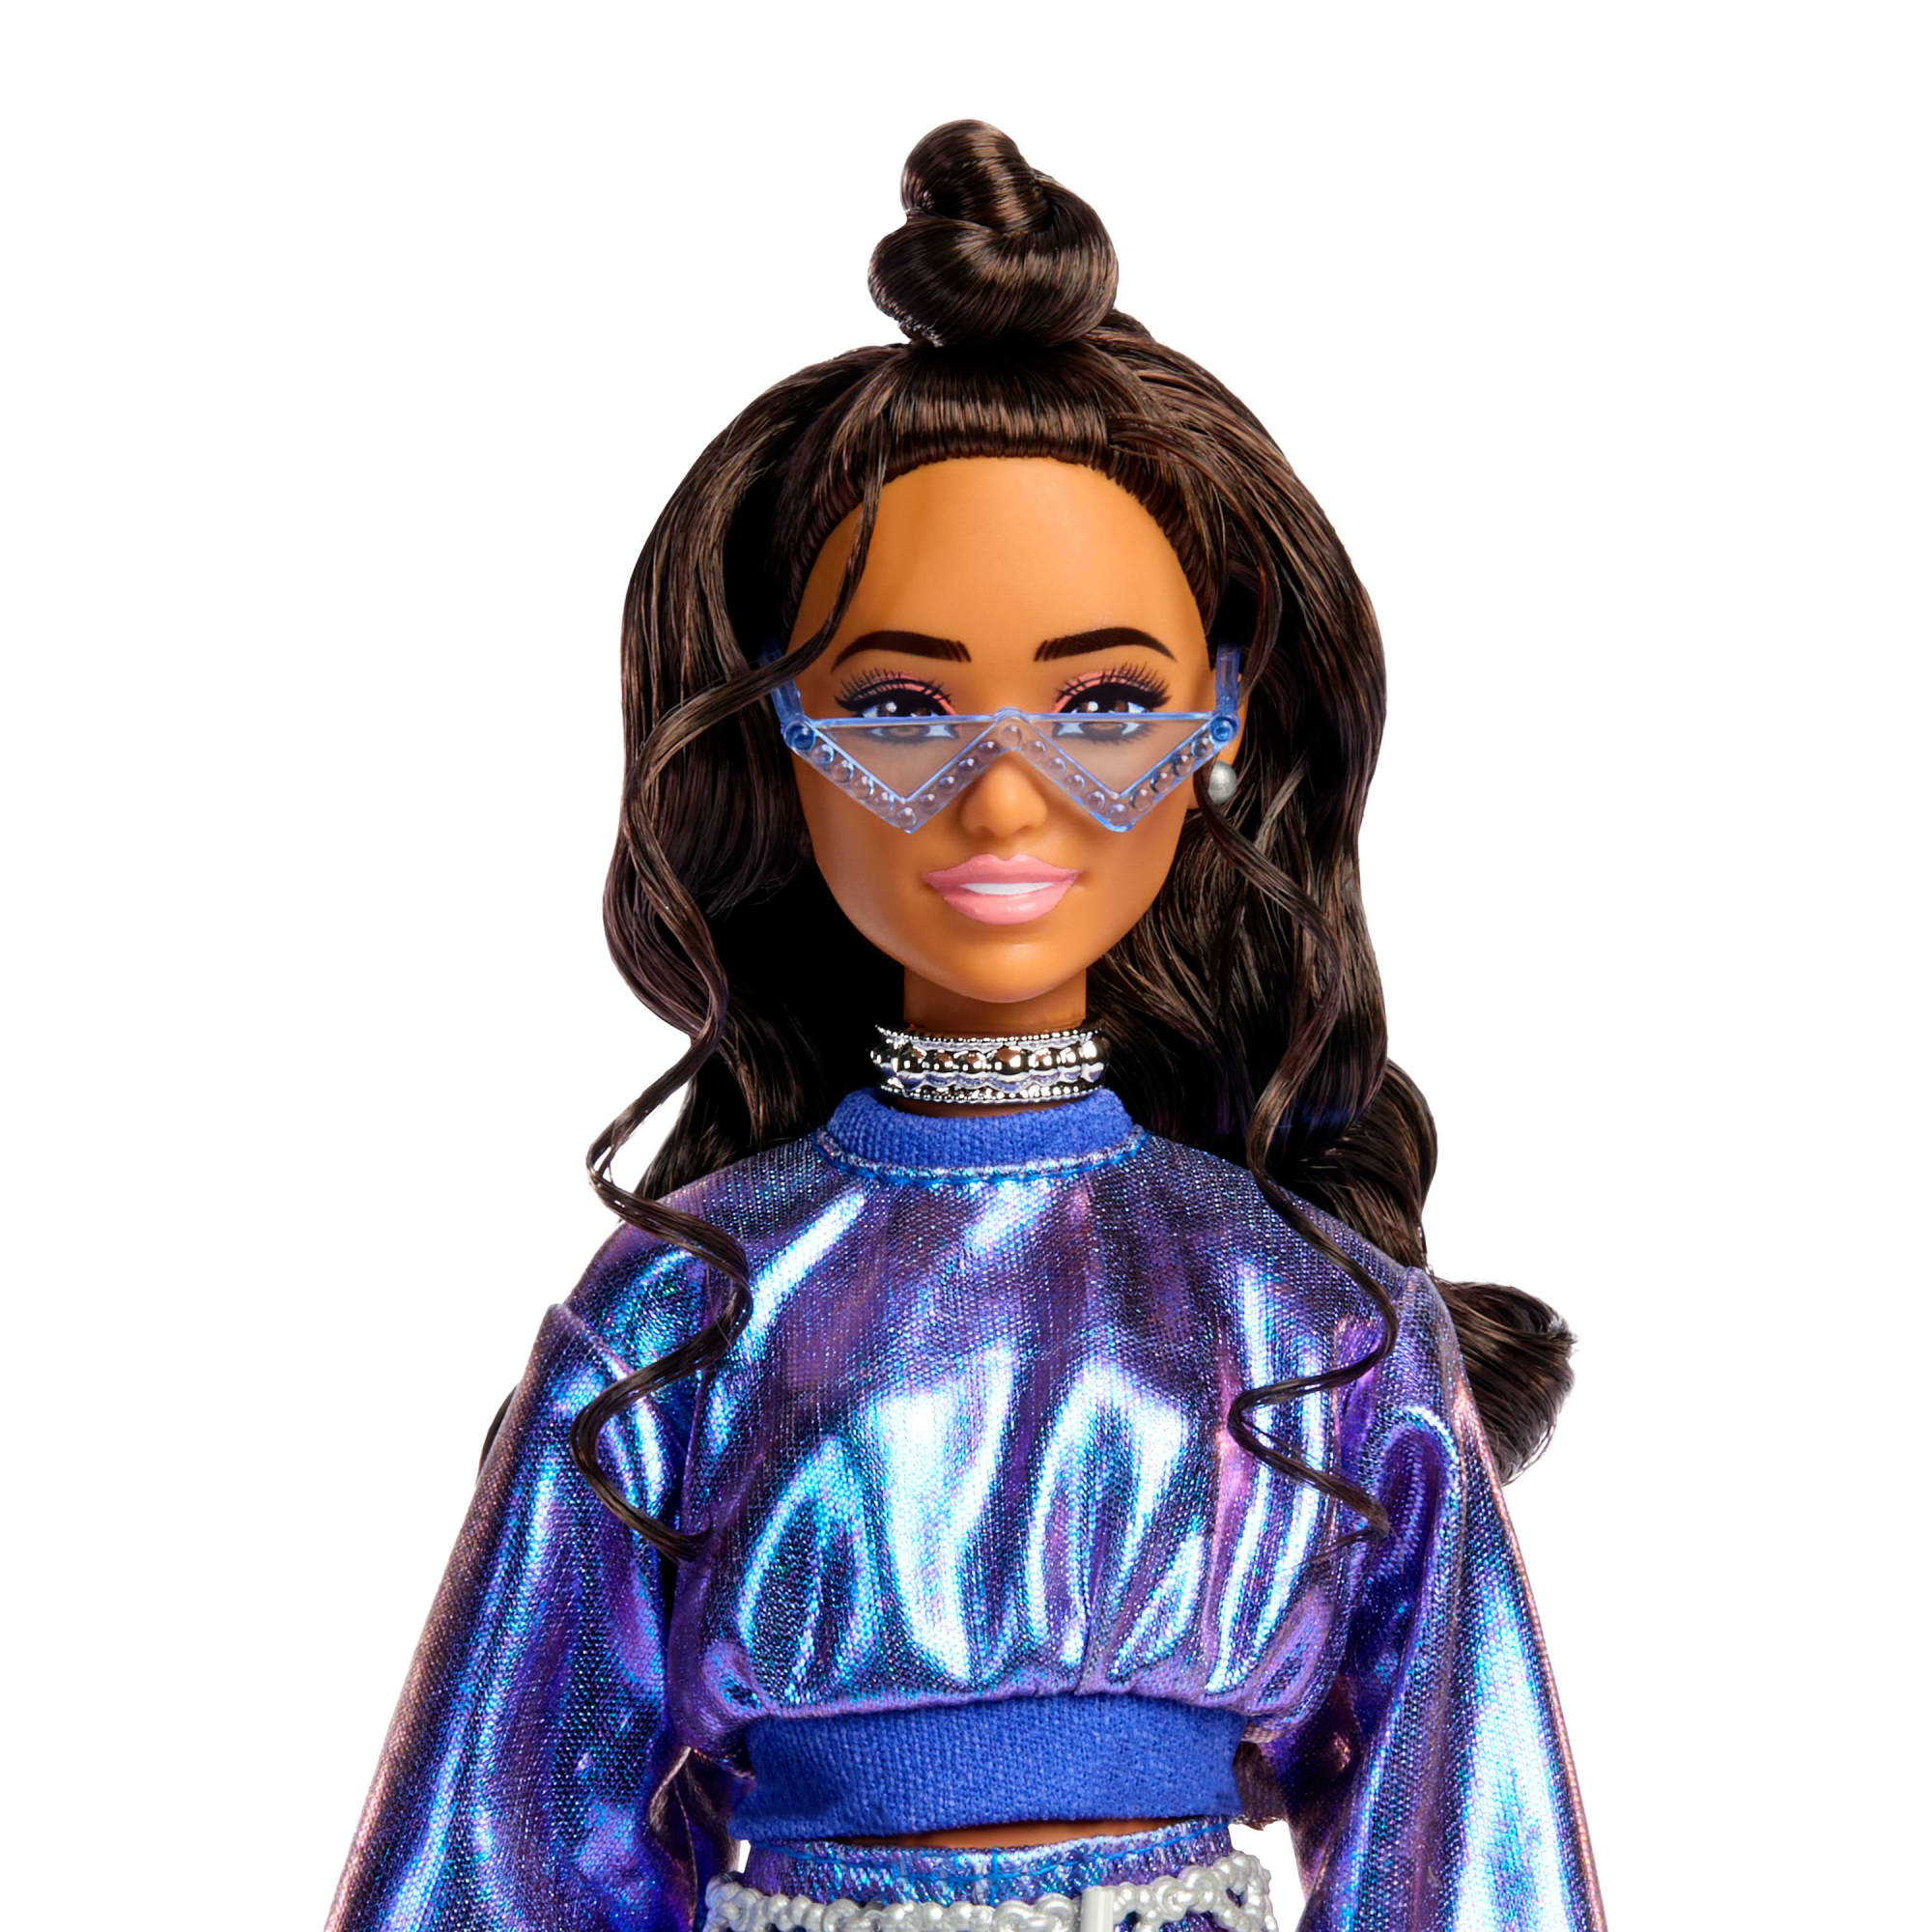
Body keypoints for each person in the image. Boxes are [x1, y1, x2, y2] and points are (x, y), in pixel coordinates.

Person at [329, 120, 1604, 1932]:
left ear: (1224, 719)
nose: (1006, 800)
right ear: (779, 734)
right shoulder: (695, 1297)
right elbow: (503, 1846)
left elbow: (1462, 1851)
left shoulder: (1307, 1311)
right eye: (901, 707)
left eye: (1103, 702)